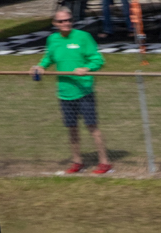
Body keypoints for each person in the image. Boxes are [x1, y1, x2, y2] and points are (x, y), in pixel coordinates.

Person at [33, 8, 112, 175]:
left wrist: (86, 67)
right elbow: (49, 58)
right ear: (55, 23)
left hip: (84, 91)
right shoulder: (52, 39)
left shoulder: (83, 37)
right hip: (64, 92)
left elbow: (98, 59)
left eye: (68, 20)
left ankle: (104, 162)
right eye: (61, 21)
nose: (65, 23)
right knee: (72, 128)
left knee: (92, 127)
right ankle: (77, 162)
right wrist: (40, 66)